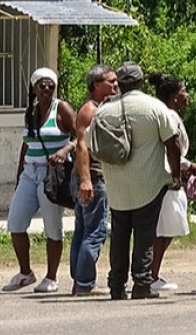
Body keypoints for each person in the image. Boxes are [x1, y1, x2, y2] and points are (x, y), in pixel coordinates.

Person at [93, 61, 181, 300]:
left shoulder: (104, 110)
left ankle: (116, 286)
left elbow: (93, 145)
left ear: (118, 83)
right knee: (144, 235)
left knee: (119, 237)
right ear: (141, 81)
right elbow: (172, 143)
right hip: (149, 184)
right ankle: (141, 284)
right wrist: (176, 175)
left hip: (117, 186)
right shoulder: (155, 107)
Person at [3, 67, 77, 293]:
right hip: (30, 173)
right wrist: (19, 176)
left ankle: (51, 276)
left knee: (52, 227)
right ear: (34, 88)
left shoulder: (61, 109)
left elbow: (80, 135)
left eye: (50, 85)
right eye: (42, 85)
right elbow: (26, 144)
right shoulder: (31, 111)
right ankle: (25, 272)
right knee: (15, 223)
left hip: (51, 173)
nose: (46, 89)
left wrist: (65, 150)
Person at [69, 64, 117, 296]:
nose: (115, 85)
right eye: (111, 81)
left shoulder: (99, 108)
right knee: (95, 232)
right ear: (96, 85)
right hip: (93, 178)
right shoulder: (90, 110)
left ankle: (79, 281)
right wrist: (86, 180)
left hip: (88, 177)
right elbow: (81, 145)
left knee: (82, 230)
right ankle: (85, 283)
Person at [149, 73, 196, 293]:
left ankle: (151, 273)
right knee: (164, 230)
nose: (187, 96)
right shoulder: (169, 116)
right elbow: (171, 150)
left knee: (163, 229)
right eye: (183, 92)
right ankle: (151, 275)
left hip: (165, 175)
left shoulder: (163, 114)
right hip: (169, 178)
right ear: (173, 96)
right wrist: (187, 168)